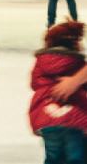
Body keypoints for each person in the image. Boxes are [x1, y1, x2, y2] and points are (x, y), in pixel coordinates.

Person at [30, 21, 87, 164]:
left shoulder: (41, 64)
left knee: (53, 157)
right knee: (75, 158)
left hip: (47, 120)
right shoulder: (78, 64)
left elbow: (34, 84)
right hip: (76, 120)